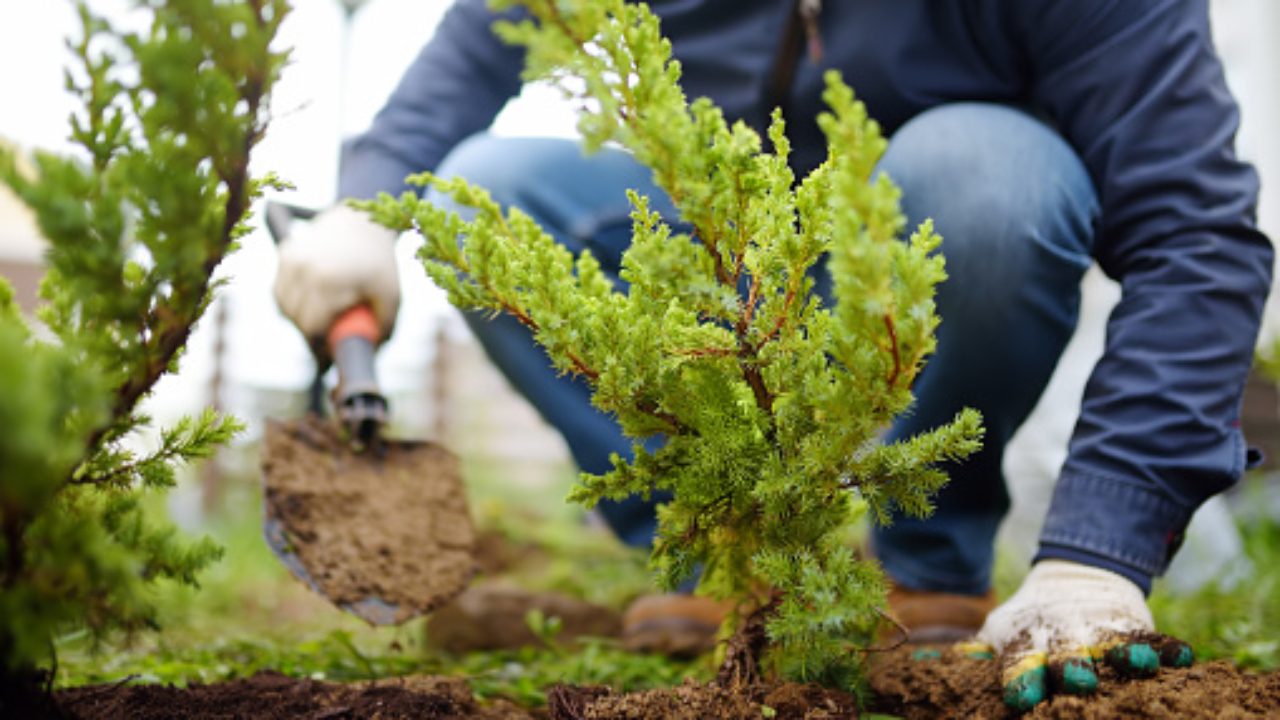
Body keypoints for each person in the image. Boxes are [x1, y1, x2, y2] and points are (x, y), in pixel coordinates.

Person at [273, 0, 1273, 710]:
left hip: (922, 267)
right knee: (470, 197)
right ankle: (712, 547)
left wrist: (1097, 551)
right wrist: (366, 199)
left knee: (985, 176)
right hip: (728, 272)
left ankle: (927, 555)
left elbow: (1192, 233)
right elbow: (479, 40)